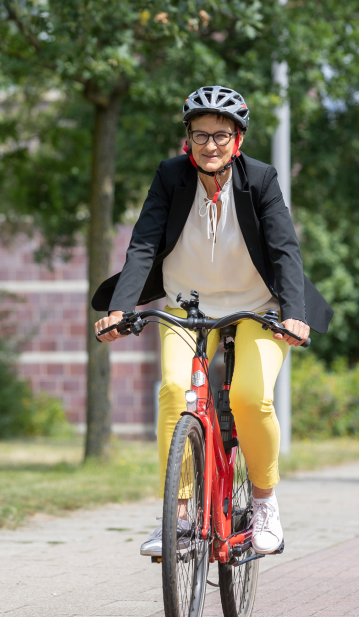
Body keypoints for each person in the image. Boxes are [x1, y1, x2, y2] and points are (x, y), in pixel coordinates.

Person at [91, 86, 333, 557]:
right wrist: (121, 308)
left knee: (249, 397)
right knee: (172, 392)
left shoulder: (260, 179)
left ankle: (263, 502)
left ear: (238, 138)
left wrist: (296, 315)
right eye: (199, 134)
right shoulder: (169, 177)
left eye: (221, 134)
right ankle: (178, 517)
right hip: (188, 304)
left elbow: (285, 250)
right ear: (188, 138)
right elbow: (143, 244)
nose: (210, 145)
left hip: (258, 305)